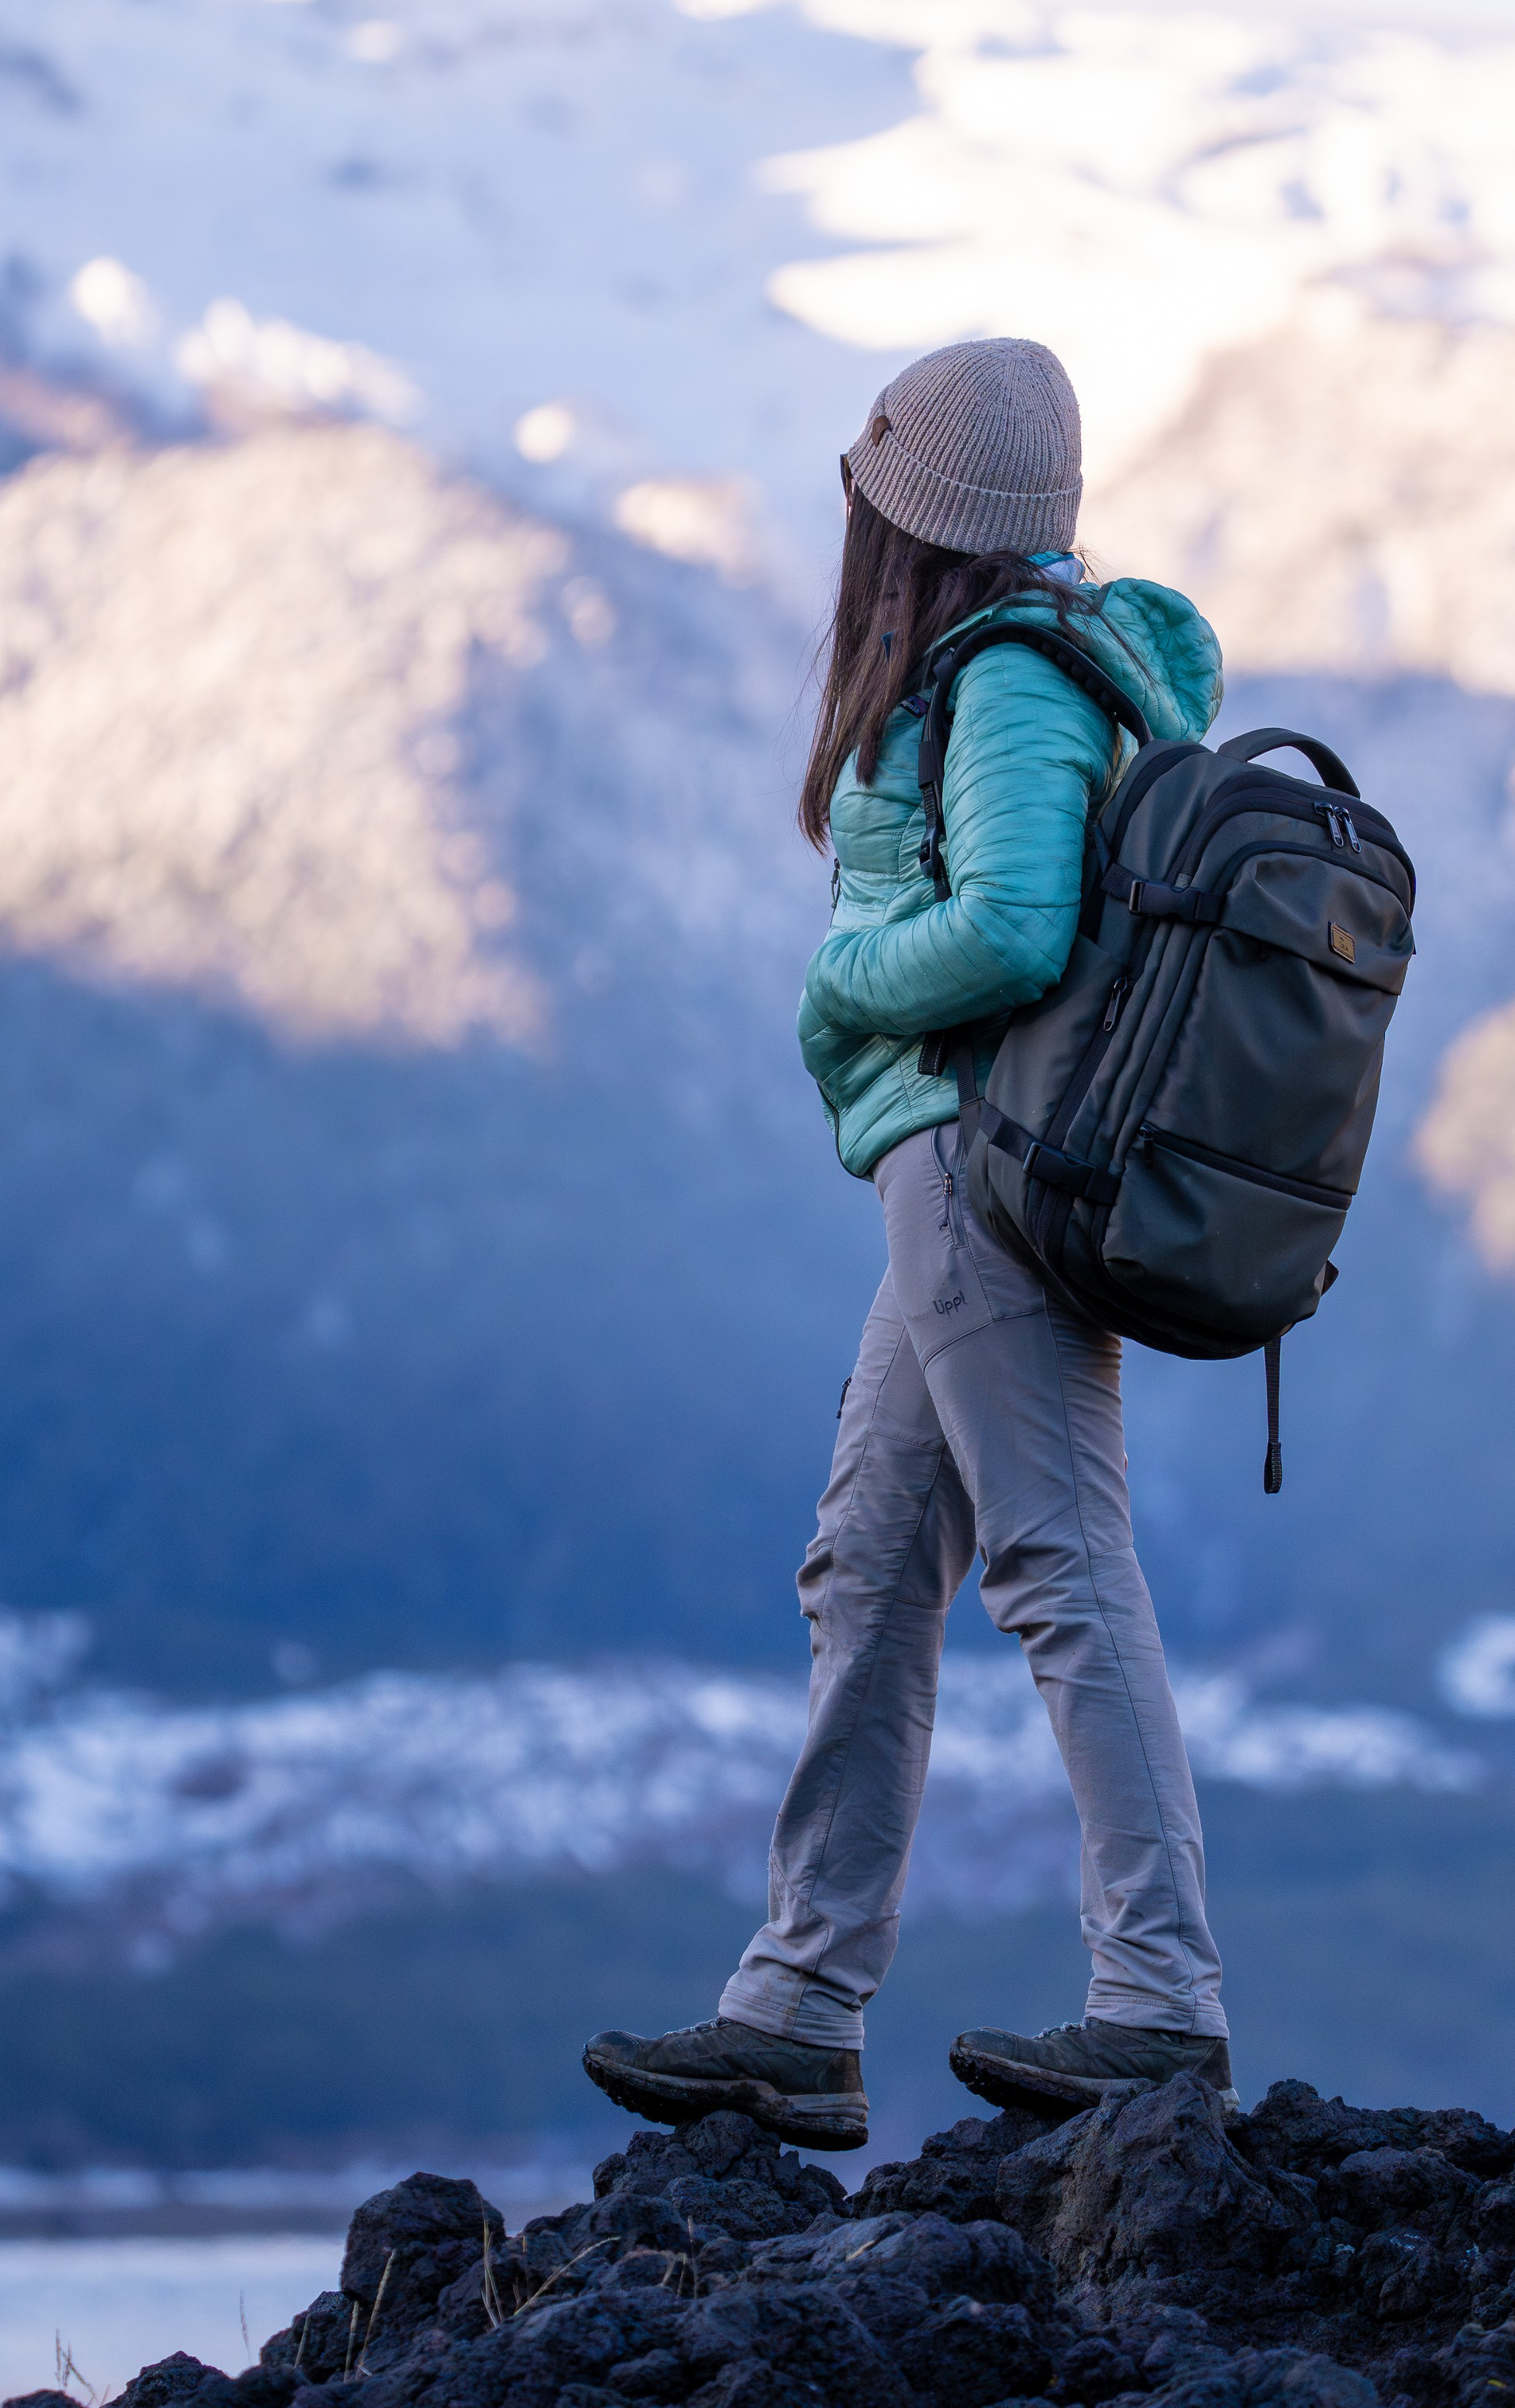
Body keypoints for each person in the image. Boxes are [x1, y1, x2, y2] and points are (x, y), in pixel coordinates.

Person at [585, 338, 1231, 2154]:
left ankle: (1162, 2004)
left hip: (976, 1161)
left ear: (913, 513)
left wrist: (838, 984)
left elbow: (1015, 927)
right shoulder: (1045, 659)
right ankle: (797, 2010)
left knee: (1056, 1559)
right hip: (963, 1166)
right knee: (867, 1566)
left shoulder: (1007, 676)